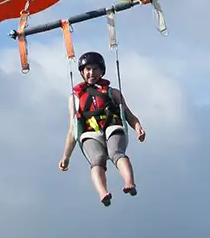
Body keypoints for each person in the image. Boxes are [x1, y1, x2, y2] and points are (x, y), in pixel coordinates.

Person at [58, 51, 146, 206]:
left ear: (101, 70)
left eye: (95, 69)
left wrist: (138, 127)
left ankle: (129, 183)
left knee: (116, 153)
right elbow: (73, 129)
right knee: (97, 159)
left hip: (113, 127)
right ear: (82, 72)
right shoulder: (75, 98)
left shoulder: (113, 92)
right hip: (90, 133)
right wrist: (66, 157)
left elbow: (128, 114)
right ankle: (103, 193)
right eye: (88, 69)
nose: (91, 73)